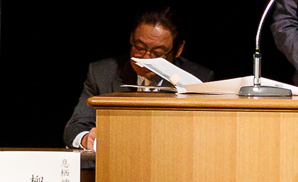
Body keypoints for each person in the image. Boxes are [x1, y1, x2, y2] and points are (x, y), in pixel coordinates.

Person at [65, 9, 210, 151]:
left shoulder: (199, 80)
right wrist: (86, 139)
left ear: (178, 50)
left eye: (157, 53)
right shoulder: (102, 73)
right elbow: (75, 127)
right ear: (131, 38)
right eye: (140, 48)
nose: (146, 58)